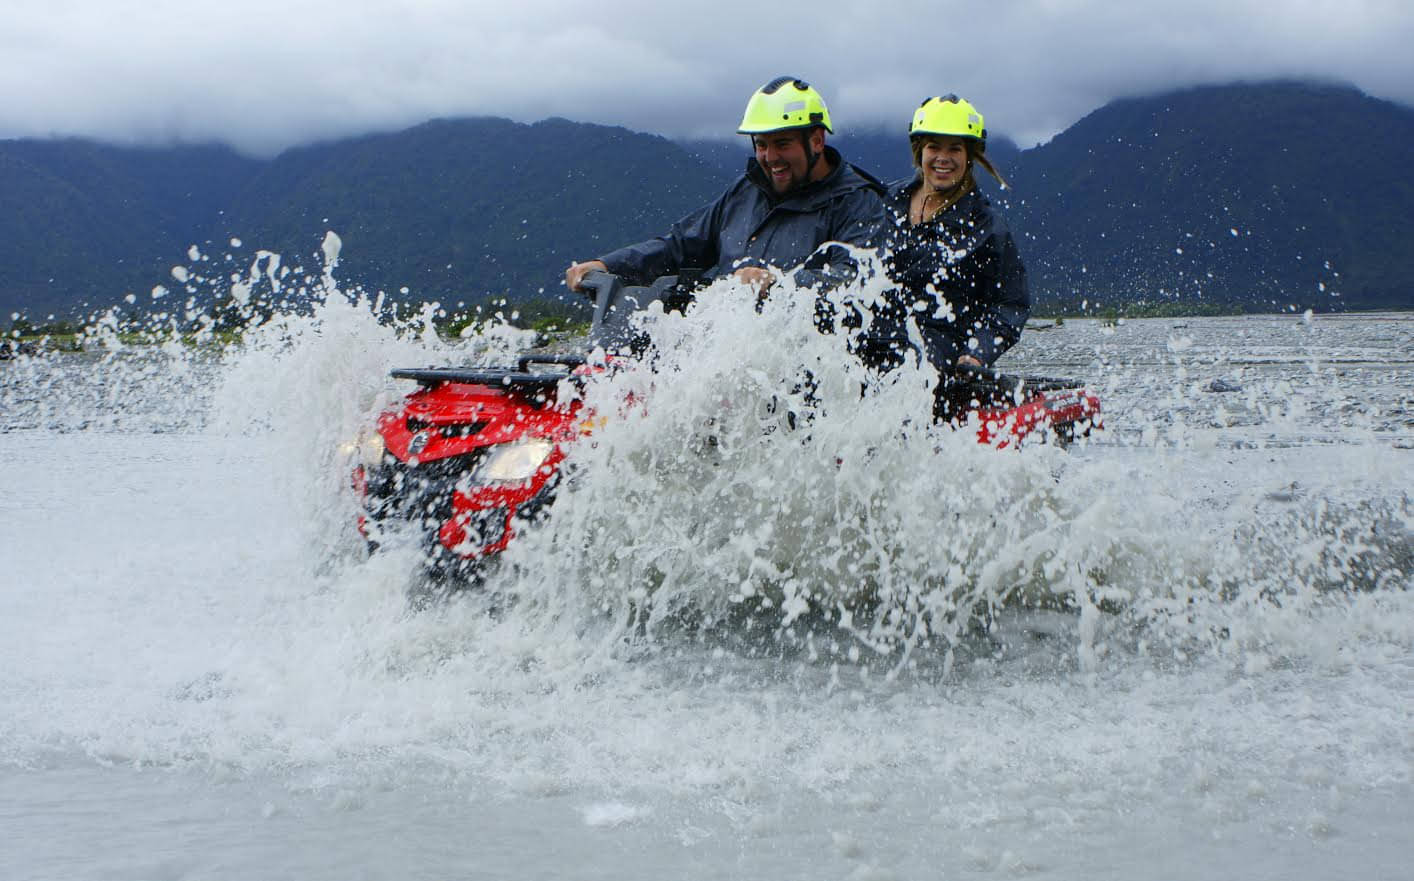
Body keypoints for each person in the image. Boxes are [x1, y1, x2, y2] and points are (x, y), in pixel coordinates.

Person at [565, 76, 885, 299]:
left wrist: (780, 283)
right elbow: (680, 247)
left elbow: (858, 279)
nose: (770, 157)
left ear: (816, 141)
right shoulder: (745, 192)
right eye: (761, 145)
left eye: (782, 144)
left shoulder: (859, 201)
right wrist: (609, 265)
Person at [854, 95, 1029, 376]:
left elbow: (1010, 305)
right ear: (920, 151)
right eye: (934, 147)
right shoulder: (886, 202)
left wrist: (977, 353)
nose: (943, 158)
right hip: (873, 339)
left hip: (939, 357)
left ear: (969, 156)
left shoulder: (987, 226)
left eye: (955, 149)